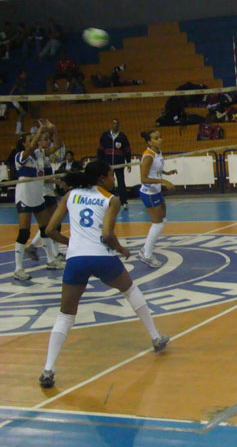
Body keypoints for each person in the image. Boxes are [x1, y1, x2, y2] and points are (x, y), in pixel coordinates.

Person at [38, 160, 169, 388]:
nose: (113, 179)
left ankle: (48, 369)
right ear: (101, 179)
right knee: (130, 290)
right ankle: (156, 337)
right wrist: (122, 250)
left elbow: (49, 230)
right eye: (111, 175)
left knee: (66, 315)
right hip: (102, 256)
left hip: (76, 259)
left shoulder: (71, 195)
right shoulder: (111, 199)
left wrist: (70, 243)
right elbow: (107, 235)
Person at [13, 121, 67, 280]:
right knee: (24, 232)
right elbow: (31, 148)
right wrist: (41, 130)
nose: (35, 141)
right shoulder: (21, 156)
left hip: (37, 195)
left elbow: (57, 146)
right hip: (24, 195)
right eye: (31, 139)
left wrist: (54, 130)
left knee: (45, 229)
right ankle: (18, 269)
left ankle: (50, 260)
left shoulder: (40, 156)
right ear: (24, 143)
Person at [137, 129, 177, 268]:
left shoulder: (158, 151)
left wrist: (166, 172)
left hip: (156, 191)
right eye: (156, 138)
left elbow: (156, 169)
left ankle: (145, 249)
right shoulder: (148, 156)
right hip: (149, 193)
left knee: (163, 220)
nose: (160, 139)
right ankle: (146, 254)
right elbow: (143, 178)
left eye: (160, 137)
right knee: (158, 223)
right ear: (149, 142)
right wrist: (163, 181)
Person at [97, 119, 131, 209]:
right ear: (110, 124)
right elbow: (100, 150)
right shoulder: (105, 136)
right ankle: (106, 202)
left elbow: (127, 150)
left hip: (119, 164)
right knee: (106, 183)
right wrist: (99, 162)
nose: (115, 125)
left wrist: (128, 162)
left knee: (121, 182)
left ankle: (124, 202)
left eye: (116, 123)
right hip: (107, 165)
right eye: (113, 123)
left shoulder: (122, 136)